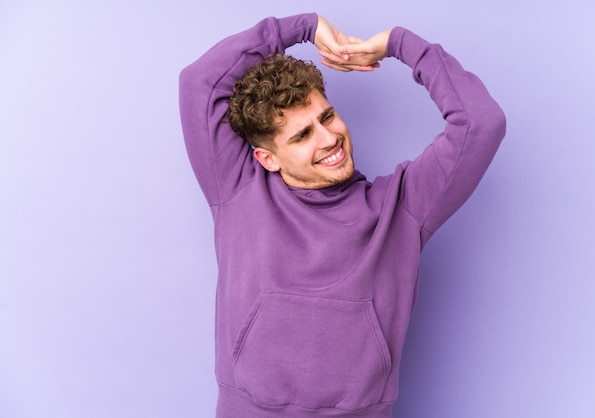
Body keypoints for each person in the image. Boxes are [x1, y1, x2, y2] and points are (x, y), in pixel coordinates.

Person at [179, 12, 505, 418]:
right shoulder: (237, 189)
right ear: (267, 158)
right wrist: (301, 27)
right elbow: (199, 83)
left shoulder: (401, 207)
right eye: (302, 135)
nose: (329, 138)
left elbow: (481, 123)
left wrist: (399, 44)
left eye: (327, 116)